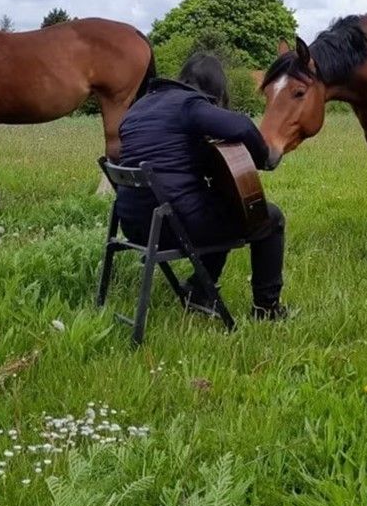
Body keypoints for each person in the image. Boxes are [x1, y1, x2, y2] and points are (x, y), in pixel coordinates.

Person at [115, 52, 288, 320]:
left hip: (134, 226)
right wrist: (262, 156)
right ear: (213, 89)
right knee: (269, 217)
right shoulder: (189, 105)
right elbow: (241, 126)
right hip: (173, 227)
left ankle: (199, 288)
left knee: (219, 206)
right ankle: (267, 310)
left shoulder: (138, 108)